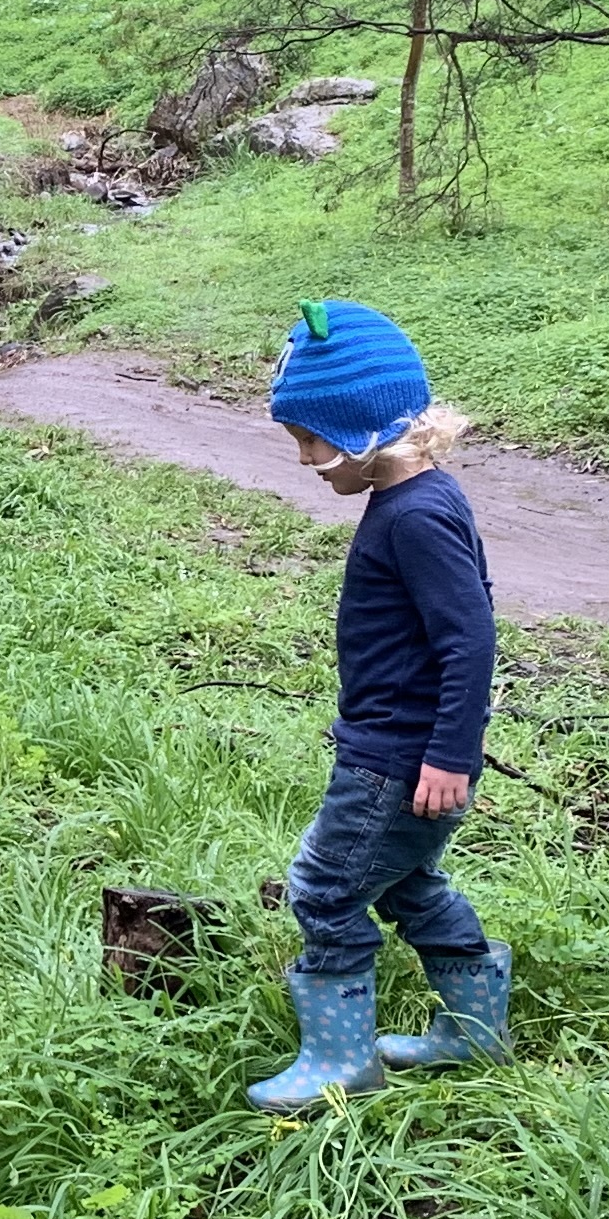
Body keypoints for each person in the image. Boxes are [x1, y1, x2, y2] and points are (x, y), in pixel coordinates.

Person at [249, 301, 515, 1111]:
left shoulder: (417, 518)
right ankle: (474, 1032)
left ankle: (342, 1059)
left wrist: (449, 755)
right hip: (395, 746)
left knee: (325, 889)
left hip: (396, 760)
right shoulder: (416, 497)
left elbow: (469, 641)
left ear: (366, 432)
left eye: (311, 439)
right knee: (404, 884)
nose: (304, 461)